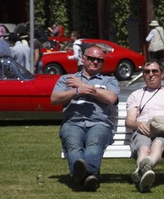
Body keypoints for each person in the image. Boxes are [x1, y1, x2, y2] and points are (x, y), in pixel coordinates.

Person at [51, 46, 120, 191]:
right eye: (91, 58)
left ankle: (81, 177)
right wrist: (77, 91)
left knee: (93, 146)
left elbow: (112, 98)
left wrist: (84, 86)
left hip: (100, 123)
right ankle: (90, 176)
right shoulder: (67, 79)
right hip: (72, 123)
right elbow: (55, 98)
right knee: (73, 145)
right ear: (83, 59)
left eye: (99, 60)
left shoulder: (109, 80)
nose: (95, 62)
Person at [125, 60, 164, 192]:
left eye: (155, 71)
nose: (151, 74)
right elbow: (129, 121)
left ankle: (141, 170)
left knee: (158, 144)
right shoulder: (136, 95)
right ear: (143, 75)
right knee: (143, 149)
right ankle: (146, 171)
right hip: (143, 131)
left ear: (162, 74)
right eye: (147, 72)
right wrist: (138, 124)